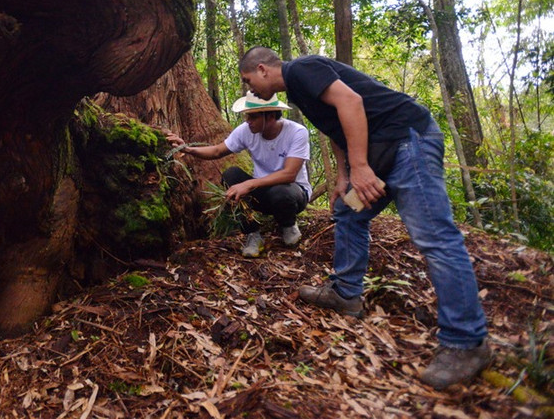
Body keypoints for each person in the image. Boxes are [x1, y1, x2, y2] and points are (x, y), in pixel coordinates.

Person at [238, 46, 490, 390]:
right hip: (380, 153)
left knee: (434, 236)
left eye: (248, 79)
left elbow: (351, 103)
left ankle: (467, 342)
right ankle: (345, 292)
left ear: (263, 69)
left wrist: (359, 167)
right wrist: (344, 174)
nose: (249, 88)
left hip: (407, 143)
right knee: (348, 211)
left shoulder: (300, 69)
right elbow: (337, 126)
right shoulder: (297, 89)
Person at [166, 92, 311, 258]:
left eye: (252, 117)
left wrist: (249, 184)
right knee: (231, 175)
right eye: (247, 116)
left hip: (293, 194)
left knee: (281, 192)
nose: (247, 121)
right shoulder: (246, 131)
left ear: (270, 116)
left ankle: (288, 225)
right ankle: (253, 234)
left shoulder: (296, 132)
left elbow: (289, 174)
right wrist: (187, 149)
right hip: (262, 194)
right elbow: (216, 151)